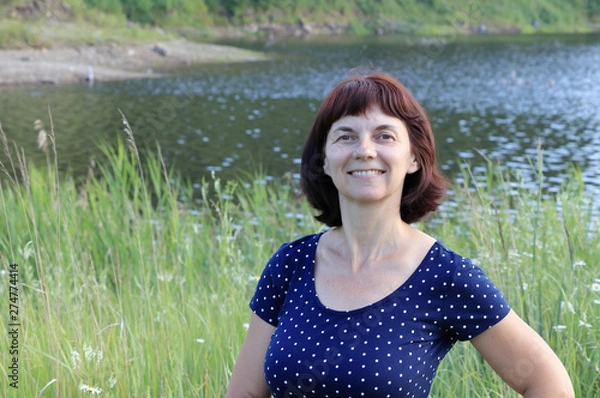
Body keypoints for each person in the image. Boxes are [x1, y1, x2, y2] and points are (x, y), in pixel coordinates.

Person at [226, 72, 574, 397]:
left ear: (414, 158)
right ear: (324, 161)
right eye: (345, 136)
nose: (364, 149)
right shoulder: (291, 264)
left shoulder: (444, 275)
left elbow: (545, 381)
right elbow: (246, 392)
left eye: (384, 136)